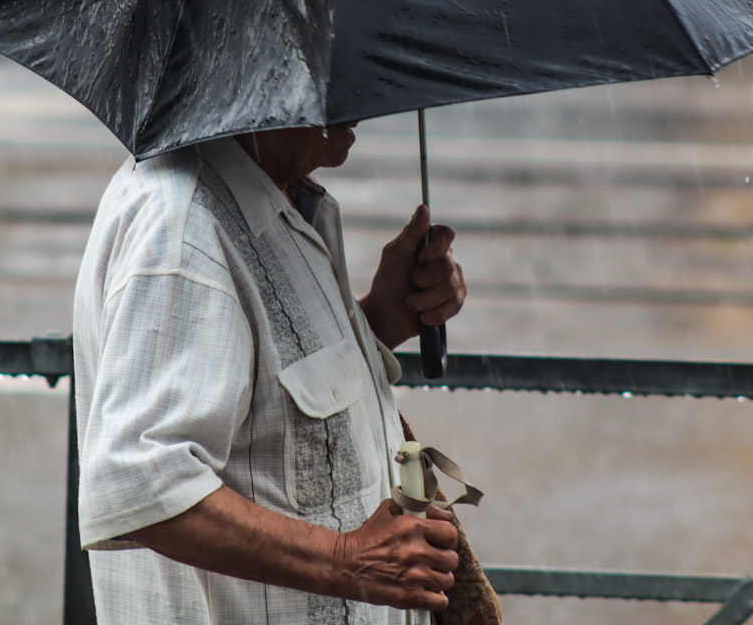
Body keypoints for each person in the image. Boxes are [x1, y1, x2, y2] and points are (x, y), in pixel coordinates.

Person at [72, 122, 471, 624]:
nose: (355, 104)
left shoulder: (275, 197)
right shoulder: (182, 228)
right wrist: (349, 561)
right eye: (326, 69)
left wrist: (380, 319)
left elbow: (268, 394)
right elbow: (140, 479)